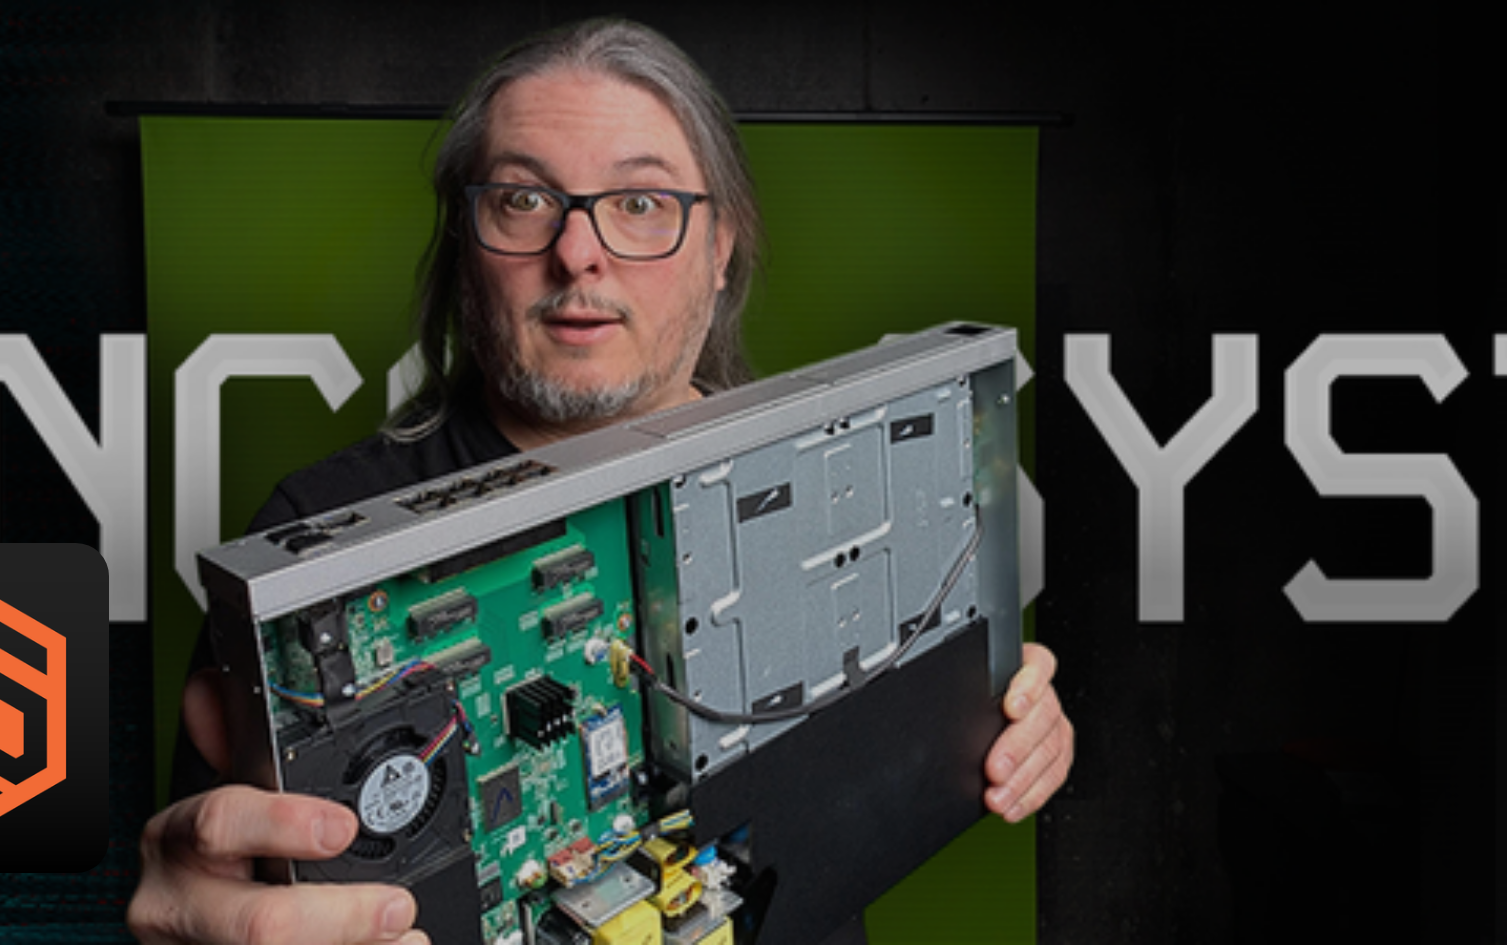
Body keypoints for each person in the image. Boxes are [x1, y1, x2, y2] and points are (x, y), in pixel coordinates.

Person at [129, 18, 1073, 945]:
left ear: (720, 249)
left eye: (641, 203)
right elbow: (224, 882)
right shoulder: (312, 543)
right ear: (464, 247)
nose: (578, 252)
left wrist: (1003, 715)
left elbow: (909, 735)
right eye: (523, 199)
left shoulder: (837, 474)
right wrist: (195, 918)